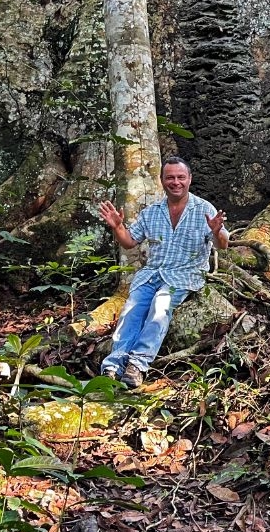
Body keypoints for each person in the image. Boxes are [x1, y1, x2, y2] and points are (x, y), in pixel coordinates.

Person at [97, 157, 229, 388]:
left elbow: (222, 245)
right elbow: (129, 242)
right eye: (170, 177)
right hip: (152, 274)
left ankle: (137, 364)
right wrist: (118, 227)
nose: (175, 182)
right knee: (132, 309)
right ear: (162, 181)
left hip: (185, 274)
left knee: (160, 306)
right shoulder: (152, 212)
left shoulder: (204, 209)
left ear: (189, 179)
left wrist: (217, 232)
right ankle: (112, 366)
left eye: (180, 177)